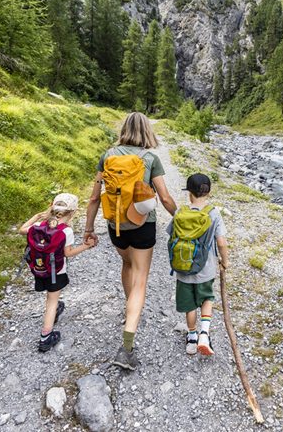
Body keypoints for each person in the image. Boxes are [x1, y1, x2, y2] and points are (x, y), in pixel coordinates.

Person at [83, 112, 177, 370]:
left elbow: (93, 198)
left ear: (124, 129)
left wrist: (89, 228)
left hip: (115, 225)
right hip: (142, 225)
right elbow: (166, 198)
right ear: (147, 131)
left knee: (127, 265)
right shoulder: (151, 159)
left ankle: (130, 312)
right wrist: (181, 218)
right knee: (141, 279)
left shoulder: (108, 156)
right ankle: (126, 346)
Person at [18, 193, 94, 352]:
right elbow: (68, 253)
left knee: (52, 299)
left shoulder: (38, 225)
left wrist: (35, 217)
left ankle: (57, 308)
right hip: (56, 272)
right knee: (51, 302)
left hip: (38, 268)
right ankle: (46, 337)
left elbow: (21, 230)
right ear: (73, 212)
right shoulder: (66, 231)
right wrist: (87, 246)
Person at [173, 173, 229, 356]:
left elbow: (172, 236)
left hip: (183, 269)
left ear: (189, 193)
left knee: (189, 305)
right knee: (206, 298)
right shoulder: (213, 213)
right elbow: (221, 243)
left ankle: (191, 338)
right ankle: (204, 334)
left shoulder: (179, 212)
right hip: (206, 269)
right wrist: (225, 261)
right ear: (208, 193)